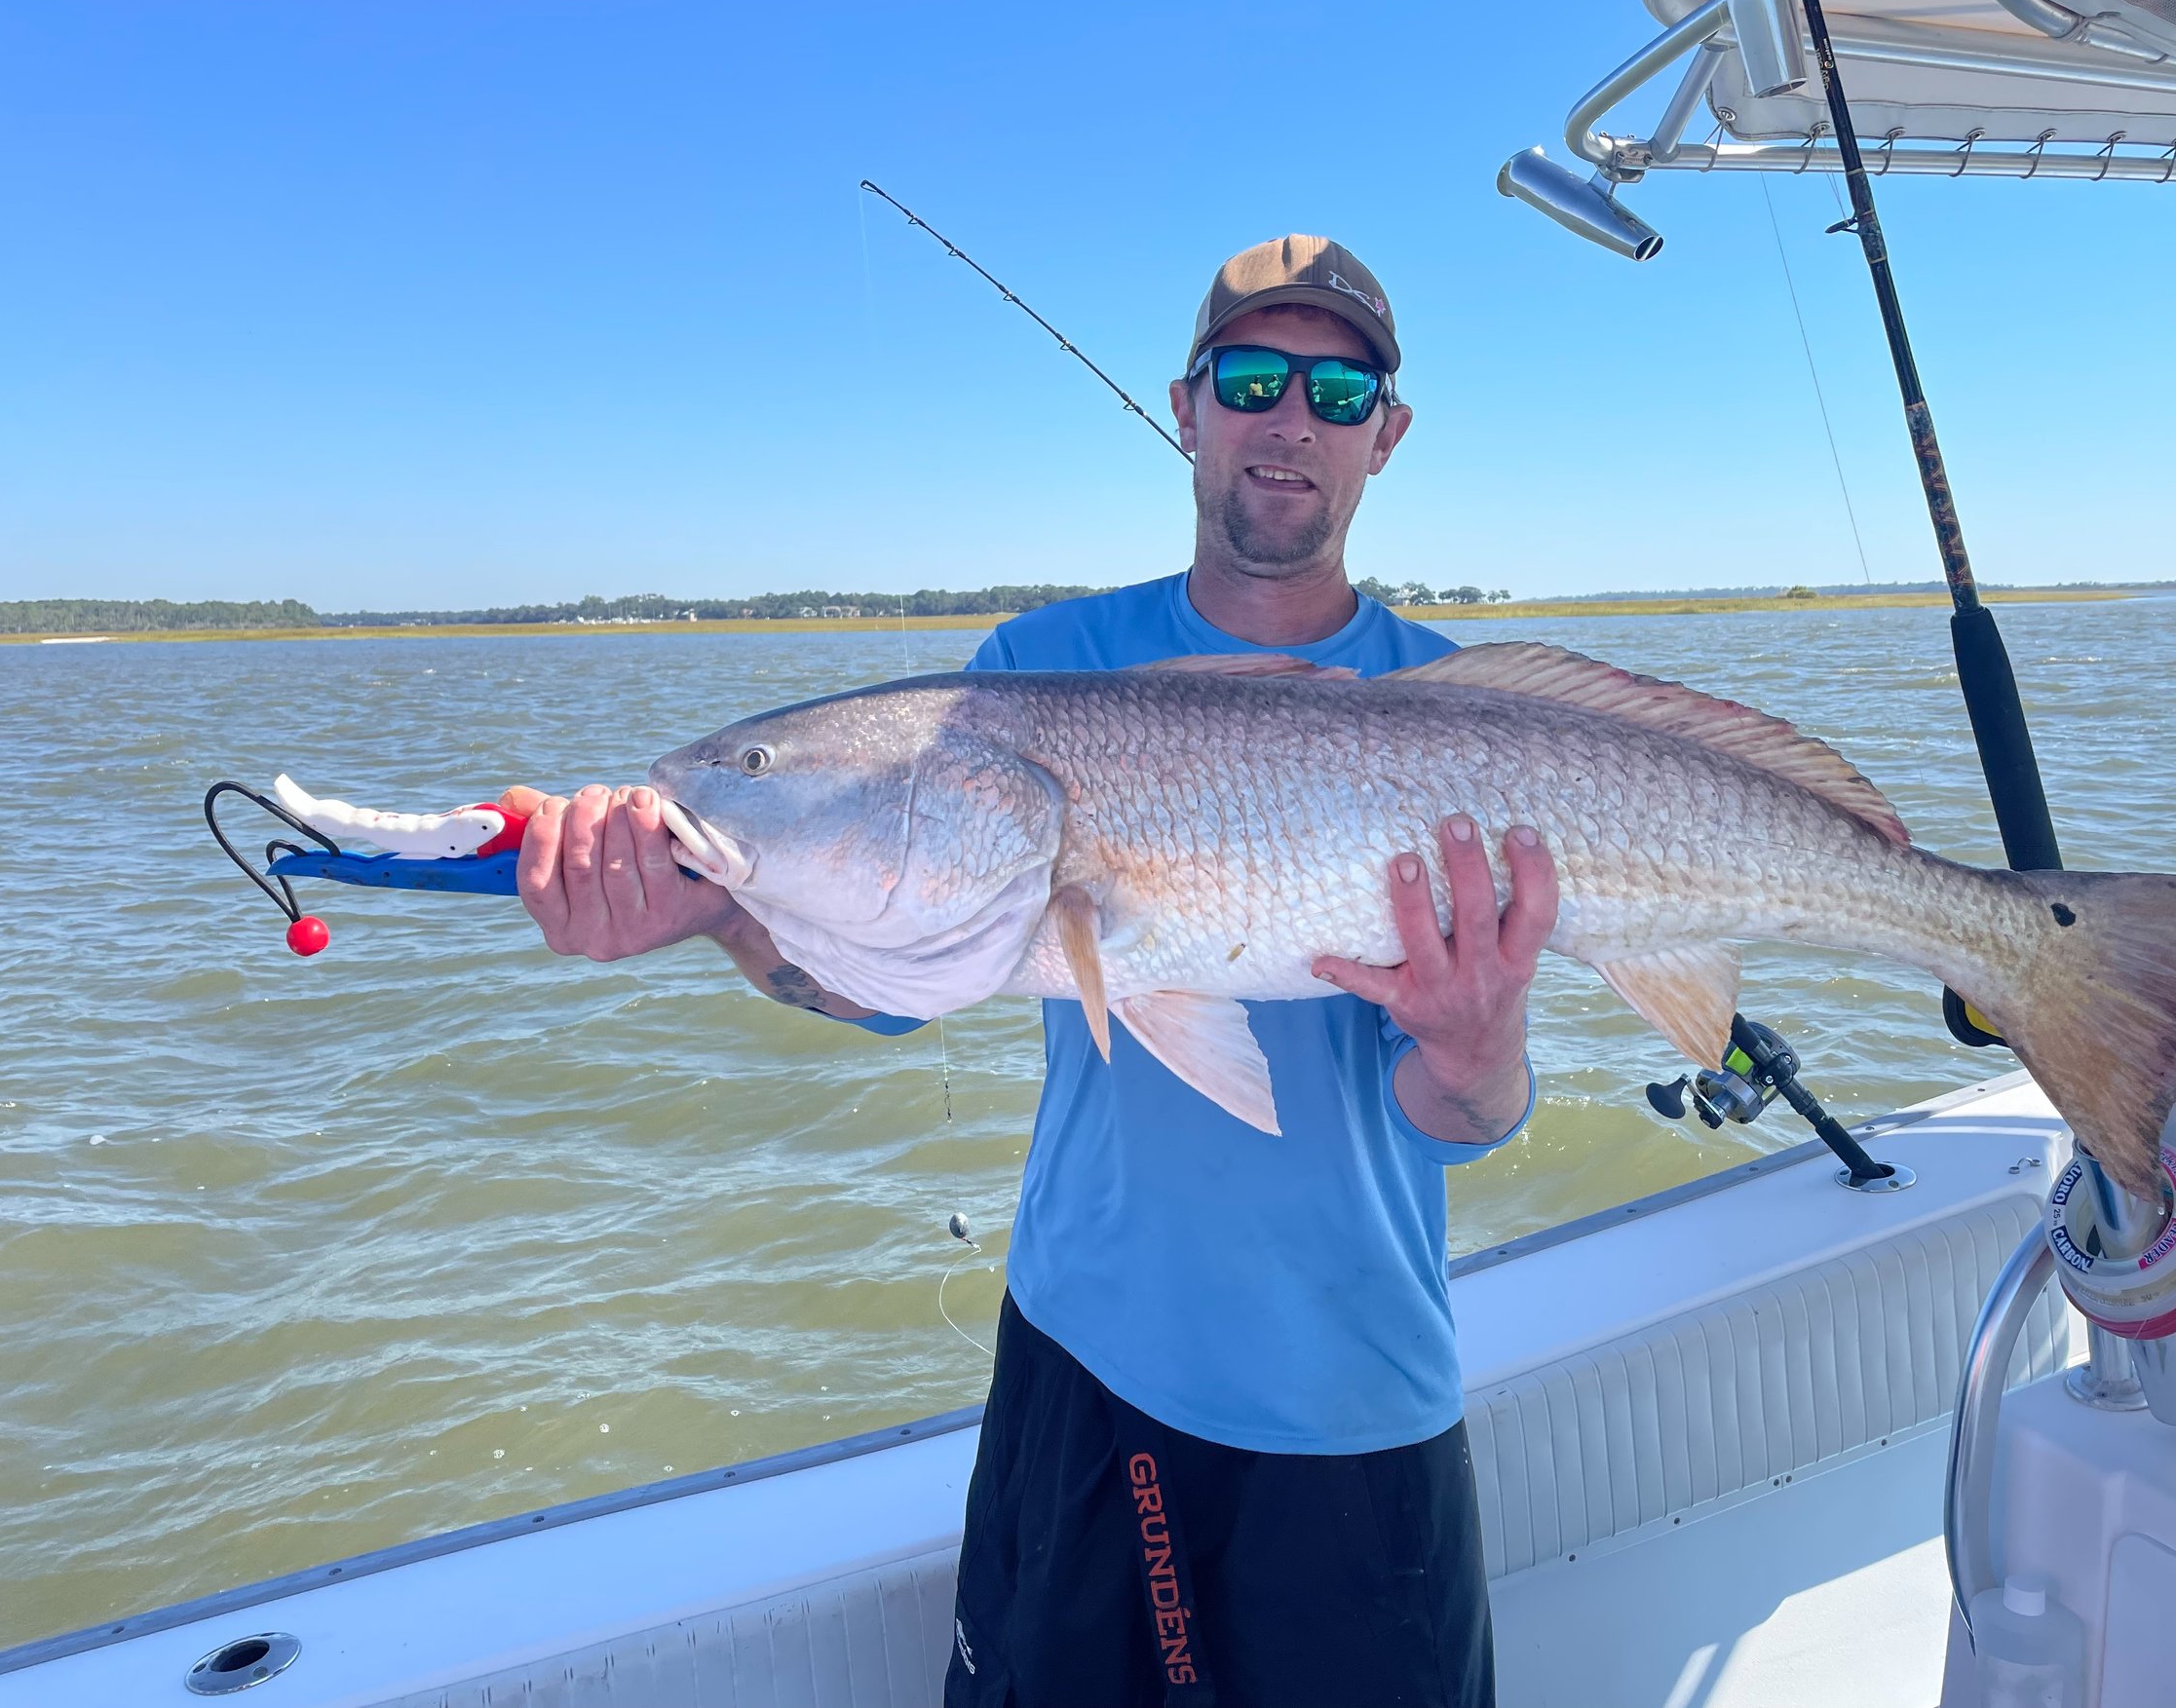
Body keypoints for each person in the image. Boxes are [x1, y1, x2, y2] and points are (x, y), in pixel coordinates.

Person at [511, 235, 1556, 1708]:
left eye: (1338, 388)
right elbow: (899, 971)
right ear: (1187, 408)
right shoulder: (1025, 675)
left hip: (1359, 1393)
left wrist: (1470, 1051)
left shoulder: (1473, 721)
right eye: (1253, 378)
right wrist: (719, 915)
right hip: (1089, 1364)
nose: (1290, 418)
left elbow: (1476, 1116)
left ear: (1386, 433)